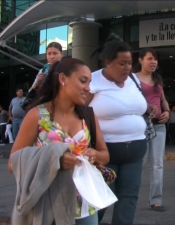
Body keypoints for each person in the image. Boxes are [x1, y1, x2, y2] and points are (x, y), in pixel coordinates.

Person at [8, 58, 109, 225]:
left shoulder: (88, 115)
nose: (88, 88)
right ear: (63, 79)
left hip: (85, 202)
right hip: (49, 203)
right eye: (83, 81)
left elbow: (105, 156)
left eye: (89, 82)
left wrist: (94, 155)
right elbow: (12, 163)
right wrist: (54, 160)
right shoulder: (37, 115)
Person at [86, 41, 155, 225]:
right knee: (102, 198)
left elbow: (134, 104)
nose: (128, 68)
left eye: (130, 63)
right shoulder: (92, 81)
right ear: (108, 62)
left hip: (136, 150)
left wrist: (148, 108)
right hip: (106, 151)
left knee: (129, 196)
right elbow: (79, 110)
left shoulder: (133, 79)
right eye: (122, 63)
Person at [133, 48, 170, 212]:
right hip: (141, 125)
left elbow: (163, 99)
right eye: (150, 58)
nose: (153, 62)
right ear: (141, 60)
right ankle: (130, 197)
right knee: (140, 163)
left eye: (155, 59)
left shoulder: (158, 79)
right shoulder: (133, 79)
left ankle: (156, 199)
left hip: (159, 125)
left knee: (158, 164)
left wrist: (167, 112)